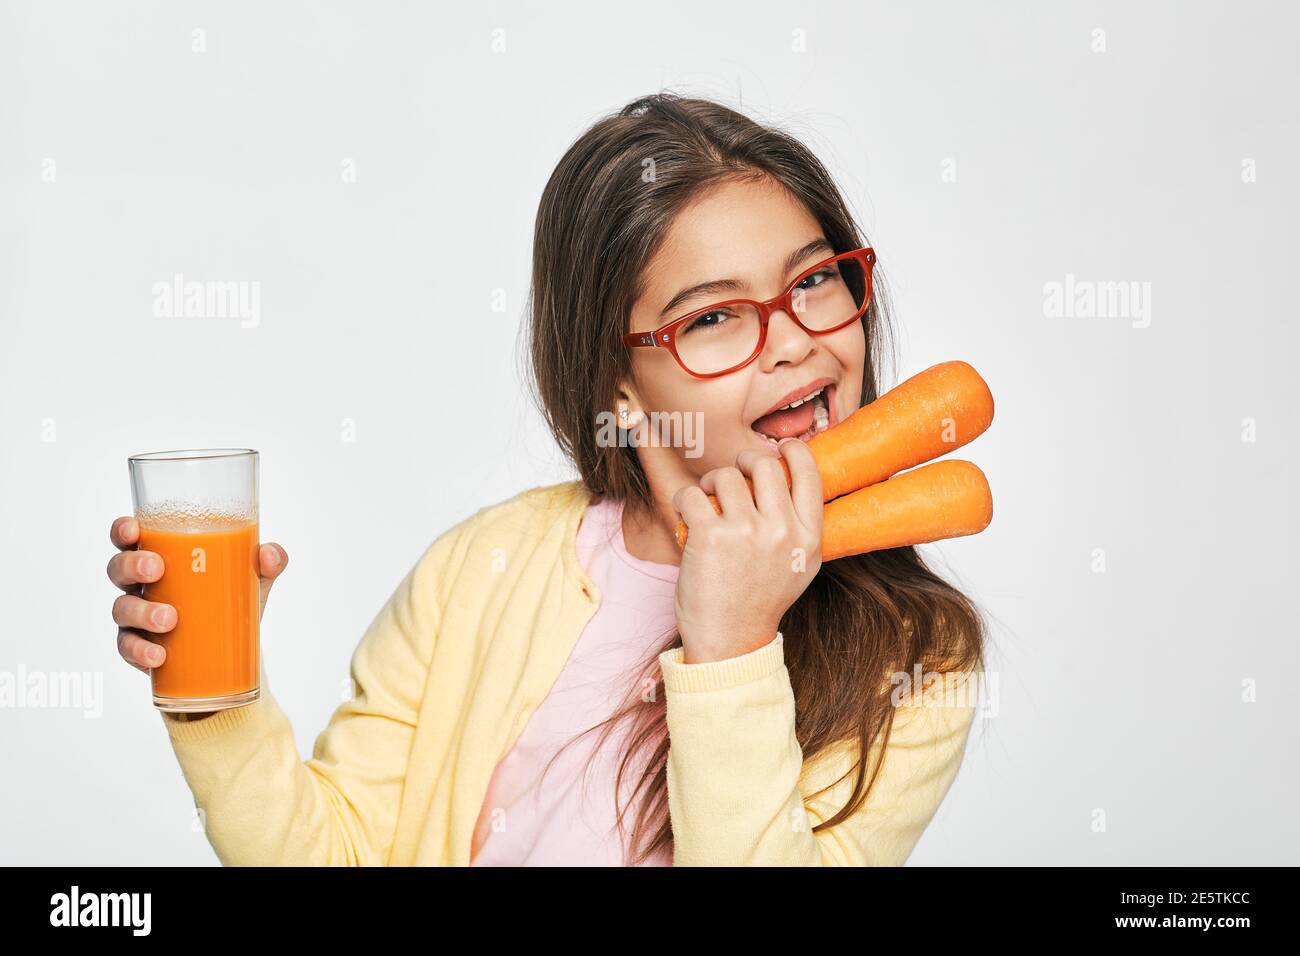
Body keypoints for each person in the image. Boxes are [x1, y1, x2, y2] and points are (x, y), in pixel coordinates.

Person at [106, 92, 985, 866]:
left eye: (816, 280)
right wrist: (215, 695)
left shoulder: (918, 658)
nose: (794, 338)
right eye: (713, 316)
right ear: (618, 386)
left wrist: (734, 646)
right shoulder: (478, 569)